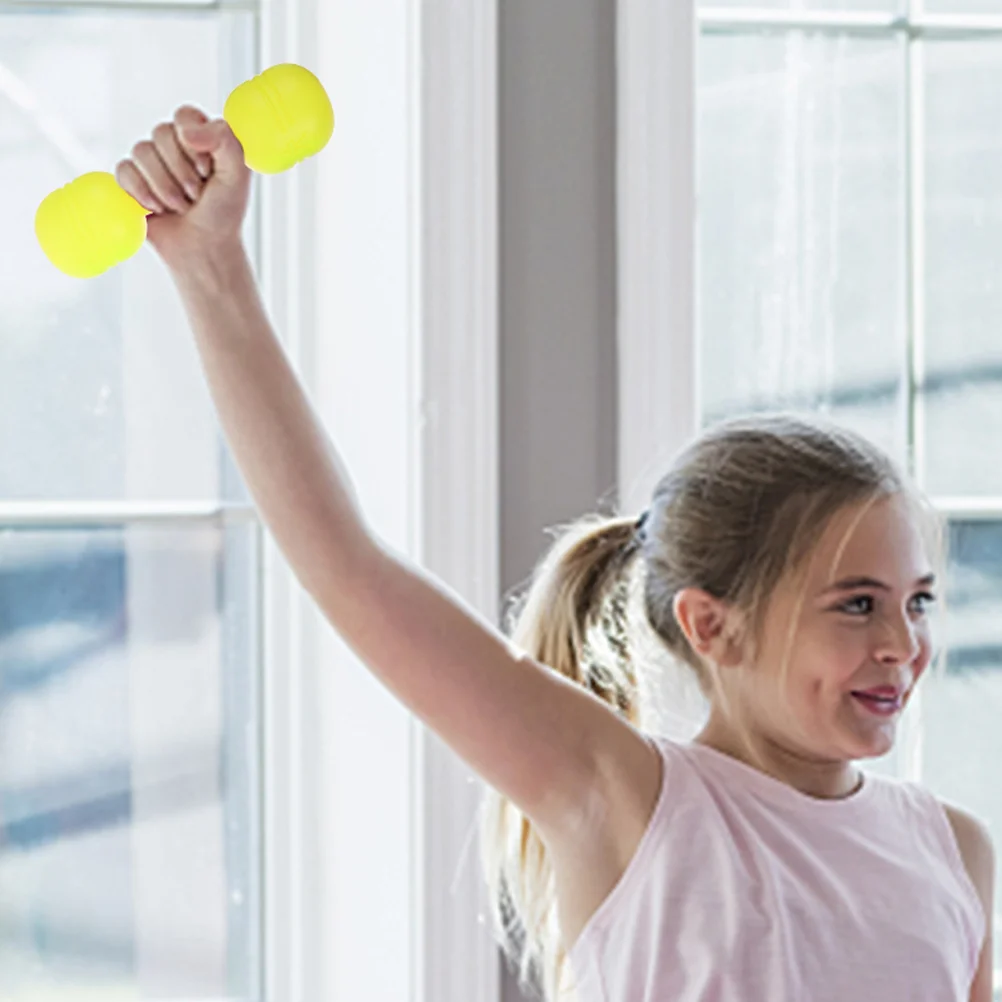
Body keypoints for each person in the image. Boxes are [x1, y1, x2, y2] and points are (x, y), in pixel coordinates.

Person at [116, 107, 995, 1002]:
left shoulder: (955, 853)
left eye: (918, 600)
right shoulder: (623, 797)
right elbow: (349, 568)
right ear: (712, 625)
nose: (902, 643)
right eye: (856, 603)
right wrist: (212, 269)